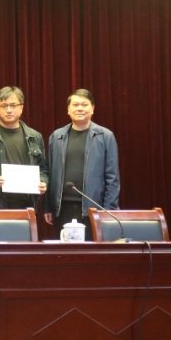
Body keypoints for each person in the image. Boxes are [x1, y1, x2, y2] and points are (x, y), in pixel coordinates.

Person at [44, 89, 120, 241]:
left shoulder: (105, 136)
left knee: (91, 252)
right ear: (68, 109)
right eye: (75, 105)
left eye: (84, 105)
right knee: (65, 252)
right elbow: (49, 173)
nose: (79, 108)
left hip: (93, 208)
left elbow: (112, 178)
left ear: (92, 109)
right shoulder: (57, 137)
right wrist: (48, 207)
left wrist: (108, 210)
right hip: (62, 208)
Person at [0, 86, 48, 210]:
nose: (8, 110)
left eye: (13, 105)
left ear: (21, 108)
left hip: (26, 205)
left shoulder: (34, 137)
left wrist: (42, 182)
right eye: (4, 106)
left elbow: (43, 169)